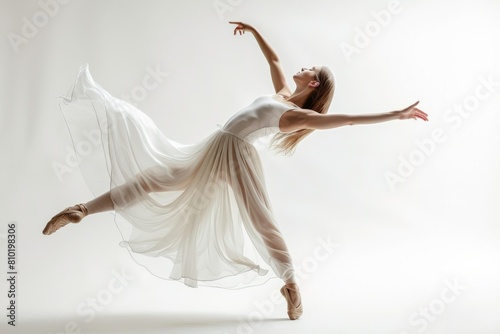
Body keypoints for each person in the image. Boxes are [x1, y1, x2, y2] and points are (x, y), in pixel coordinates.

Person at [42, 22, 428, 320]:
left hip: (236, 154)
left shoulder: (298, 116)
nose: (301, 65)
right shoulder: (281, 97)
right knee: (157, 181)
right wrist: (257, 32)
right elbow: (275, 61)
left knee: (253, 217)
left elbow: (345, 120)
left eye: (309, 67)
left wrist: (396, 113)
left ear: (312, 83)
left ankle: (291, 284)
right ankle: (81, 209)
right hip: (217, 147)